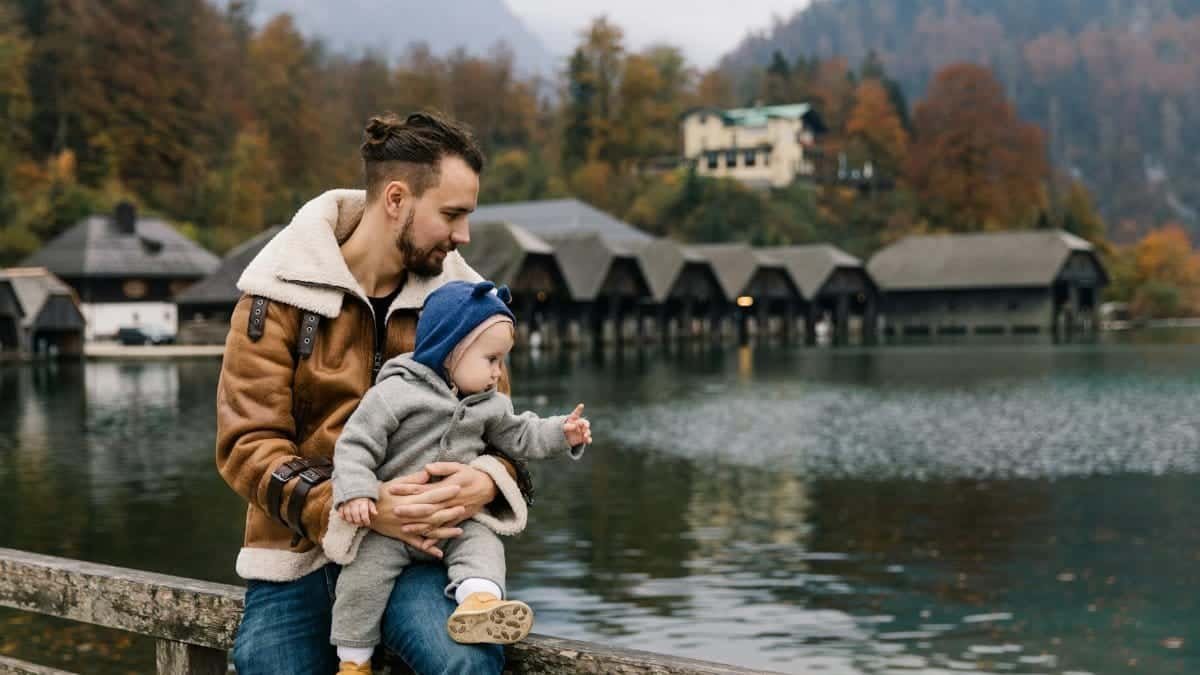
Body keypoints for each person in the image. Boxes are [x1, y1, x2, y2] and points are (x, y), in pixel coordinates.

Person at [216, 111, 532, 675]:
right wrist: (354, 508)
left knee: (464, 664)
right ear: (396, 200)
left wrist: (486, 478)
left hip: (422, 555)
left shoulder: (469, 303)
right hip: (298, 554)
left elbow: (502, 429)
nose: (463, 236)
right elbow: (246, 445)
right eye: (452, 215)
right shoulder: (276, 294)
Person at [331, 279, 592, 674]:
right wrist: (357, 492)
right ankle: (353, 661)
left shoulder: (489, 405)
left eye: (502, 361)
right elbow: (354, 445)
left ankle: (480, 602)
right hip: (389, 528)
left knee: (485, 545)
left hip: (456, 523)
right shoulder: (394, 393)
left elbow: (521, 434)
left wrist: (562, 433)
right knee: (361, 582)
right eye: (491, 360)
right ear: (452, 350)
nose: (497, 372)